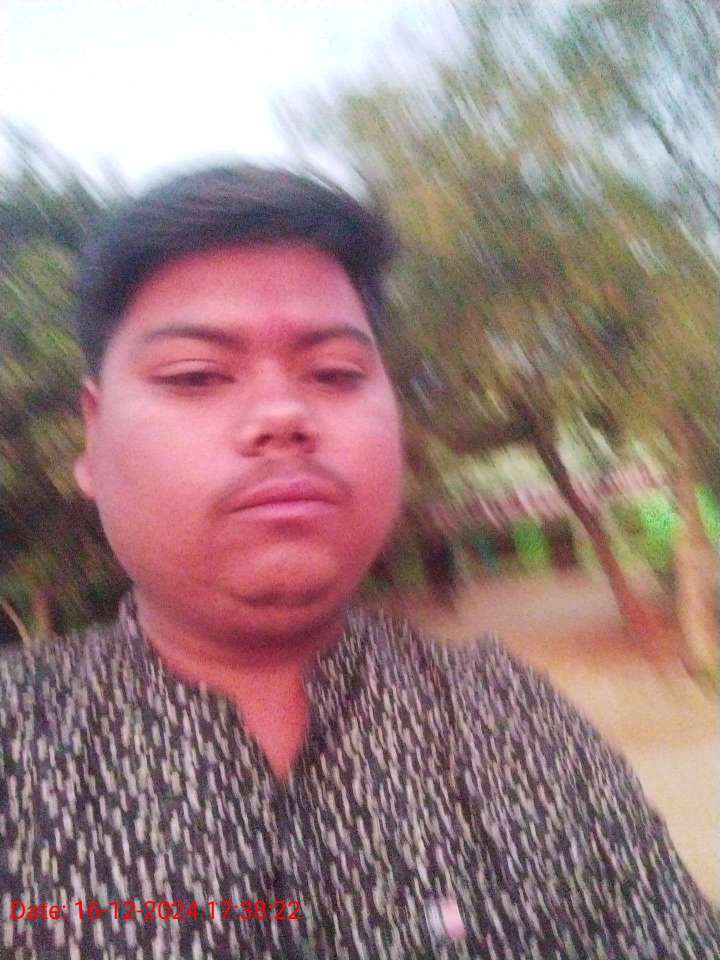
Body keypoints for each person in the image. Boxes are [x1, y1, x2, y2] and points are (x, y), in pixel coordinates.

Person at [1, 165, 718, 960]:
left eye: (336, 373)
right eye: (195, 375)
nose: (283, 414)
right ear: (93, 437)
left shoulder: (515, 721)